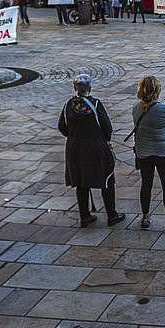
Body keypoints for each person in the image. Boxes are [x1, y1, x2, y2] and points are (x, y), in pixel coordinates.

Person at [58, 73, 123, 227]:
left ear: (74, 87)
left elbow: (62, 126)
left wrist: (74, 136)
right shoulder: (96, 104)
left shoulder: (68, 105)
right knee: (106, 179)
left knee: (81, 181)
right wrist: (102, 139)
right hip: (96, 147)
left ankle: (85, 215)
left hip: (75, 148)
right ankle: (111, 215)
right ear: (90, 88)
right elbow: (107, 127)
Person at [132, 76, 165, 232]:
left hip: (143, 152)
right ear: (157, 91)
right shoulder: (164, 109)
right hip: (162, 152)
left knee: (146, 184)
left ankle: (145, 217)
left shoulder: (136, 108)